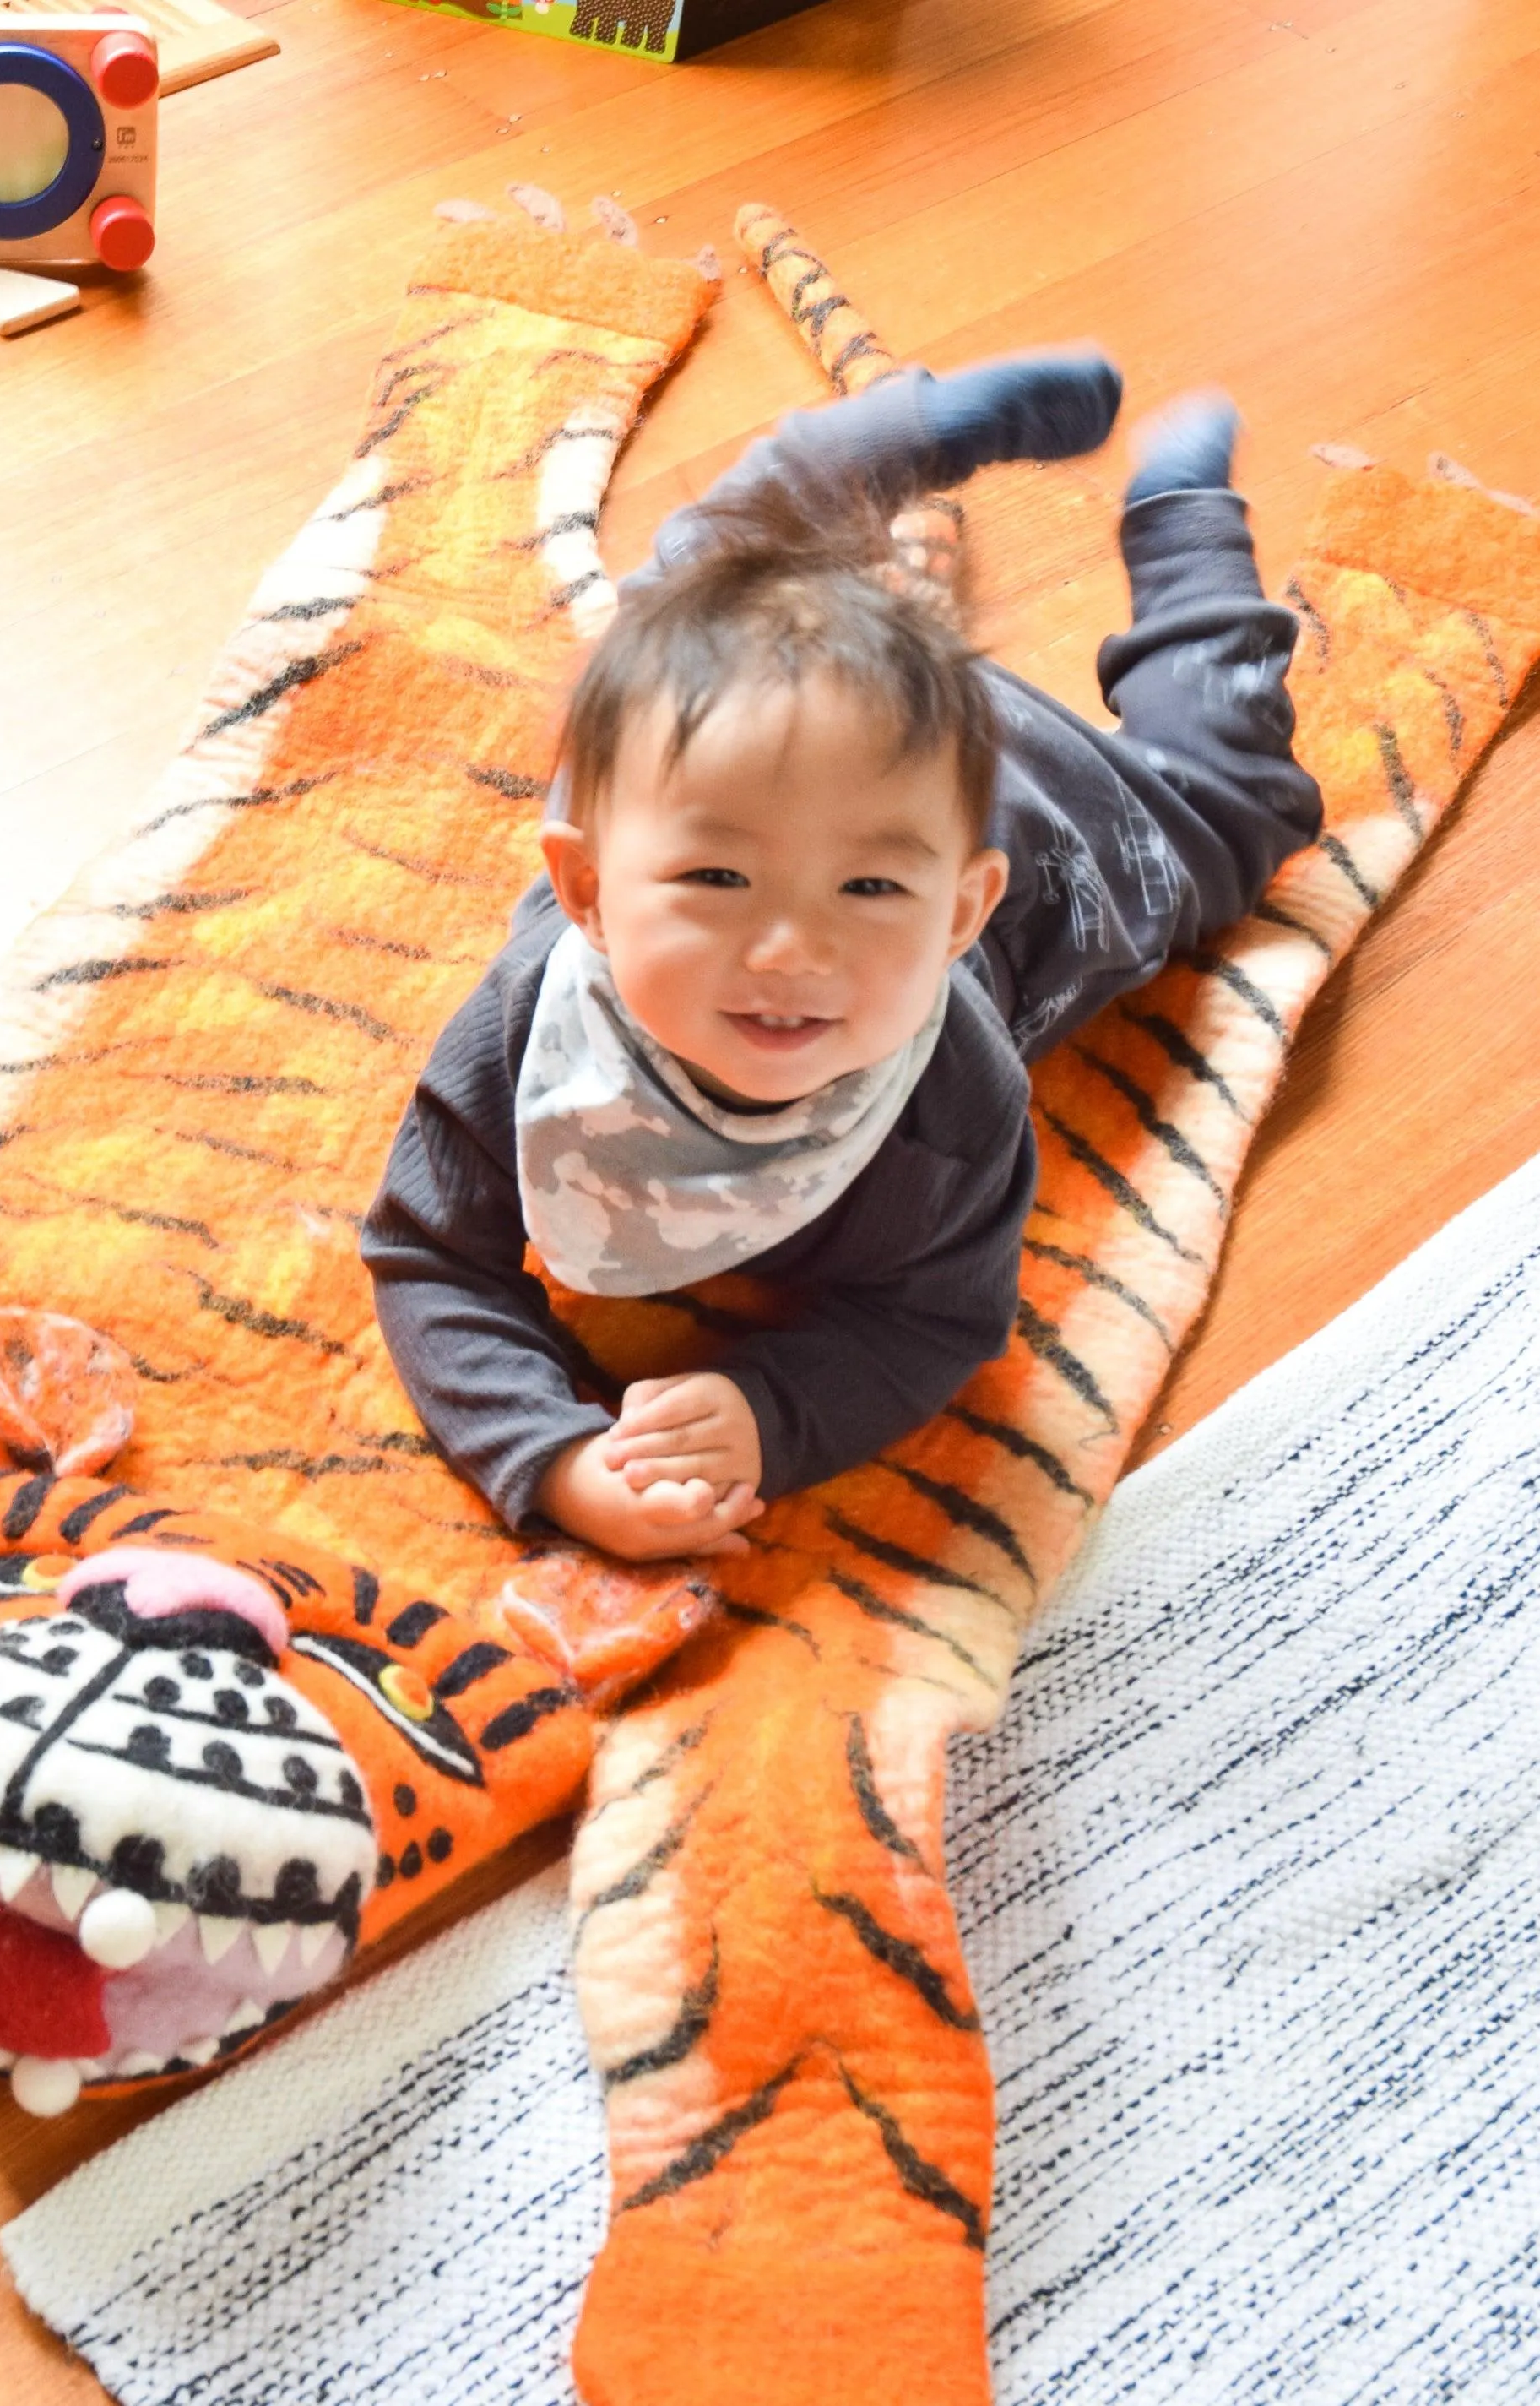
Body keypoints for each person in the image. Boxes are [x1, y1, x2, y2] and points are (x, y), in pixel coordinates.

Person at [361, 352, 1321, 1562]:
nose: (792, 953)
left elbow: (933, 1321)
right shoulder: (526, 1019)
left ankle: (1180, 527)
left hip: (1043, 809)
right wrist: (553, 1459)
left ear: (965, 915)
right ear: (588, 891)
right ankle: (885, 440)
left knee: (1239, 806)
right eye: (716, 885)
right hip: (754, 761)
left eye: (866, 898)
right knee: (671, 615)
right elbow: (427, 1250)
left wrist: (776, 1415)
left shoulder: (951, 1106)